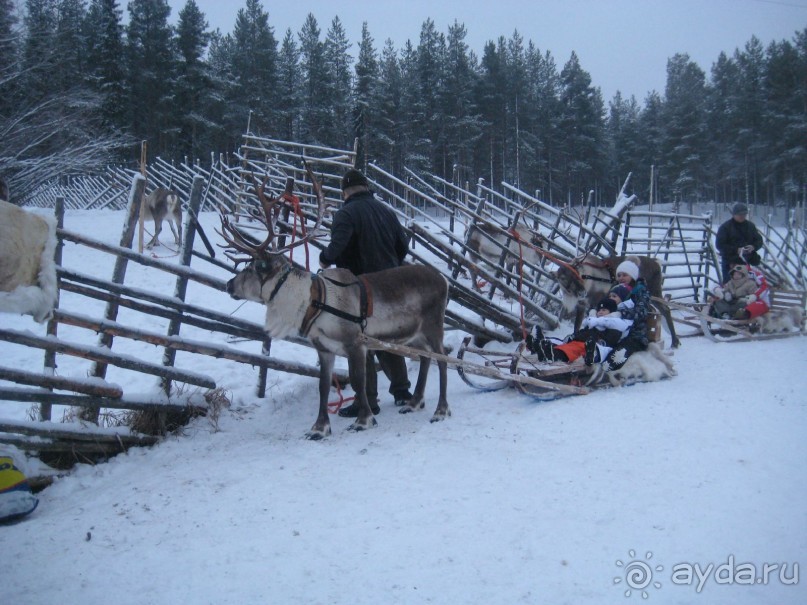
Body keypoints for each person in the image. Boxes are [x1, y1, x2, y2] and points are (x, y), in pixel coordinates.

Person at [319, 168, 413, 417]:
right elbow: (402, 246)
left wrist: (324, 258)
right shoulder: (386, 211)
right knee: (386, 337)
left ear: (345, 191)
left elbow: (337, 247)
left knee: (359, 342)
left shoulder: (346, 213)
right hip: (391, 287)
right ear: (366, 187)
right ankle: (402, 391)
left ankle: (366, 401)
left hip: (360, 289)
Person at [528, 296, 632, 365]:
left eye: (604, 310)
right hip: (579, 342)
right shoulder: (593, 323)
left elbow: (611, 339)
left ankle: (552, 354)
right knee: (564, 345)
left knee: (571, 351)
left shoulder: (614, 324)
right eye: (599, 310)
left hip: (591, 346)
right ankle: (540, 345)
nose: (600, 312)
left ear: (611, 312)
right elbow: (583, 332)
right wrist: (574, 336)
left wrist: (599, 342)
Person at [597, 259, 652, 377]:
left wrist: (620, 312)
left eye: (625, 275)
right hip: (615, 332)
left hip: (635, 334)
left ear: (632, 276)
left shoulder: (640, 291)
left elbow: (641, 312)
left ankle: (609, 368)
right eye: (619, 275)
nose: (621, 277)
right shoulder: (616, 289)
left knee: (619, 353)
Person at [715, 202, 763, 283]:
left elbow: (759, 240)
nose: (742, 216)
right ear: (734, 214)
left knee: (746, 287)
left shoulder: (750, 226)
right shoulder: (725, 227)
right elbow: (720, 245)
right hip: (730, 263)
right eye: (739, 214)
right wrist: (736, 250)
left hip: (746, 262)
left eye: (744, 214)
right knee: (729, 286)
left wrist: (753, 247)